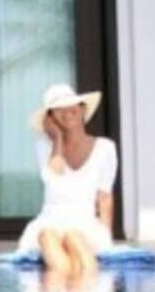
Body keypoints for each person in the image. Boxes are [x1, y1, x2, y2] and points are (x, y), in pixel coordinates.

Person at [18, 83, 117, 278]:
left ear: (82, 109)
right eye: (58, 109)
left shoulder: (105, 147)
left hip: (85, 221)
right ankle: (60, 291)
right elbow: (53, 179)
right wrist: (58, 139)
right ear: (50, 118)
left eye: (72, 105)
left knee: (74, 237)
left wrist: (107, 241)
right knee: (47, 236)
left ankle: (85, 289)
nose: (67, 112)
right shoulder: (44, 146)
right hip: (50, 220)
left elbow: (105, 197)